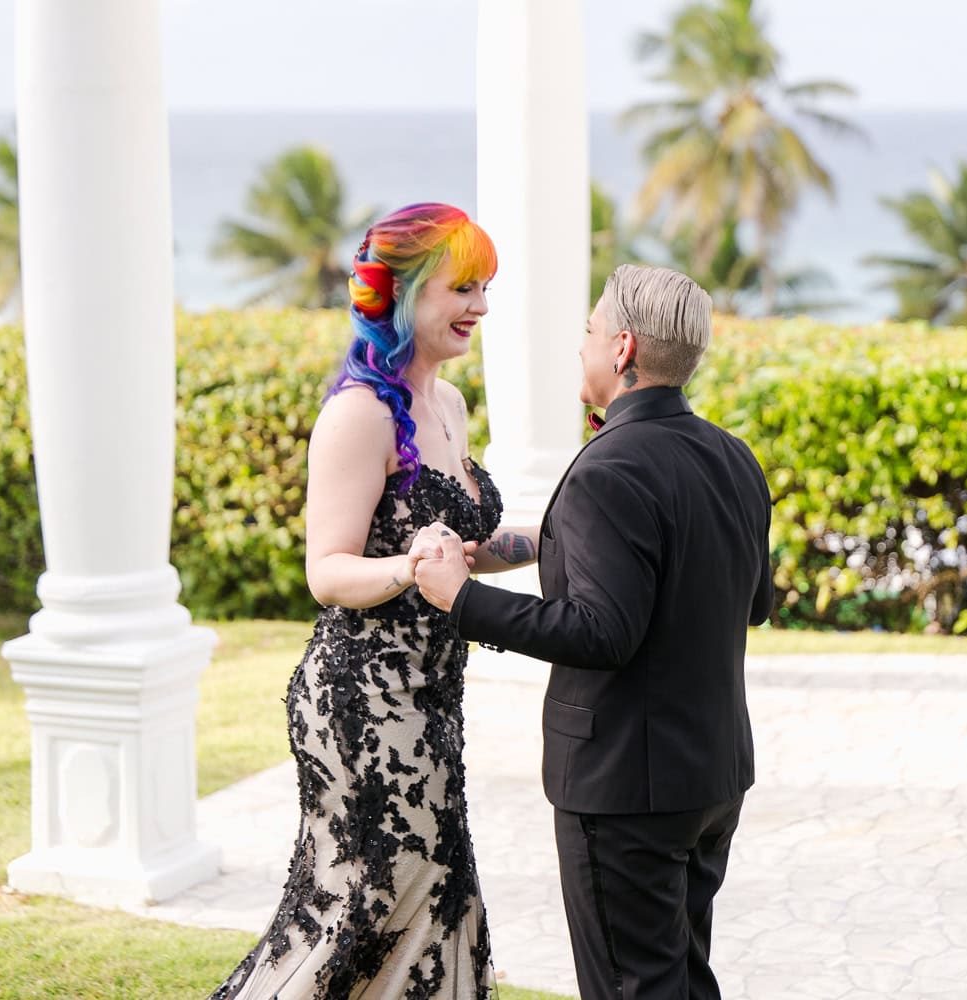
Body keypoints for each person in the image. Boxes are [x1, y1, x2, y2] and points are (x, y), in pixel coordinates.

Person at [414, 264, 775, 1000]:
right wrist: (514, 547)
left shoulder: (611, 467)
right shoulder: (733, 457)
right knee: (681, 980)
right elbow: (754, 599)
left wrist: (461, 598)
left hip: (625, 790)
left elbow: (601, 632)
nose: (579, 346)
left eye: (587, 330)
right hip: (710, 777)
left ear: (622, 349)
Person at [208, 203, 538, 1000]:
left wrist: (555, 535)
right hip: (362, 702)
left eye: (486, 288)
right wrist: (406, 568)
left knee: (439, 901)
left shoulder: (450, 406)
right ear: (406, 291)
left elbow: (459, 554)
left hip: (431, 699)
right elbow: (327, 572)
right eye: (463, 288)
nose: (481, 309)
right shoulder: (357, 413)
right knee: (360, 911)